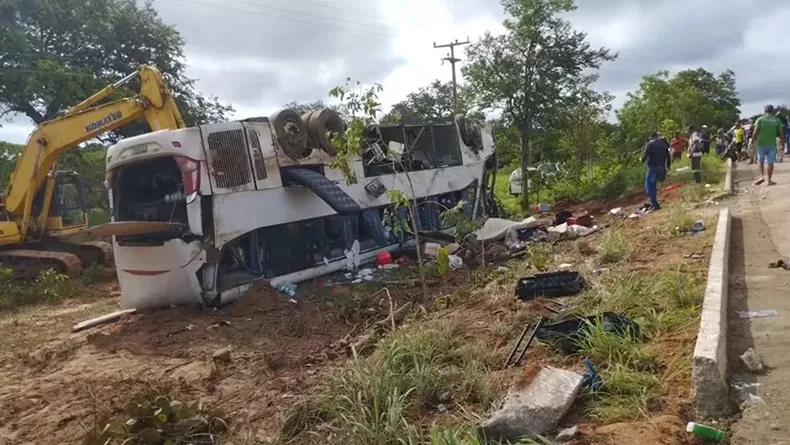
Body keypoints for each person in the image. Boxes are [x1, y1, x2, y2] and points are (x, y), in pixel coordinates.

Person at [752, 104, 786, 185]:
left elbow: (755, 132)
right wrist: (782, 143)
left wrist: (752, 141)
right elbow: (781, 133)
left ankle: (761, 176)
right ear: (772, 111)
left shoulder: (760, 119)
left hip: (761, 144)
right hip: (772, 144)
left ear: (764, 111)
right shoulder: (776, 120)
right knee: (771, 162)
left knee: (761, 161)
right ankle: (769, 180)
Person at [641, 132, 671, 210]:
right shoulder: (663, 144)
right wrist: (668, 167)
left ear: (651, 137)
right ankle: (653, 202)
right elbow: (668, 157)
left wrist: (641, 160)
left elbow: (645, 156)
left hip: (653, 168)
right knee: (653, 185)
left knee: (649, 186)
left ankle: (655, 204)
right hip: (661, 168)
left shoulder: (650, 144)